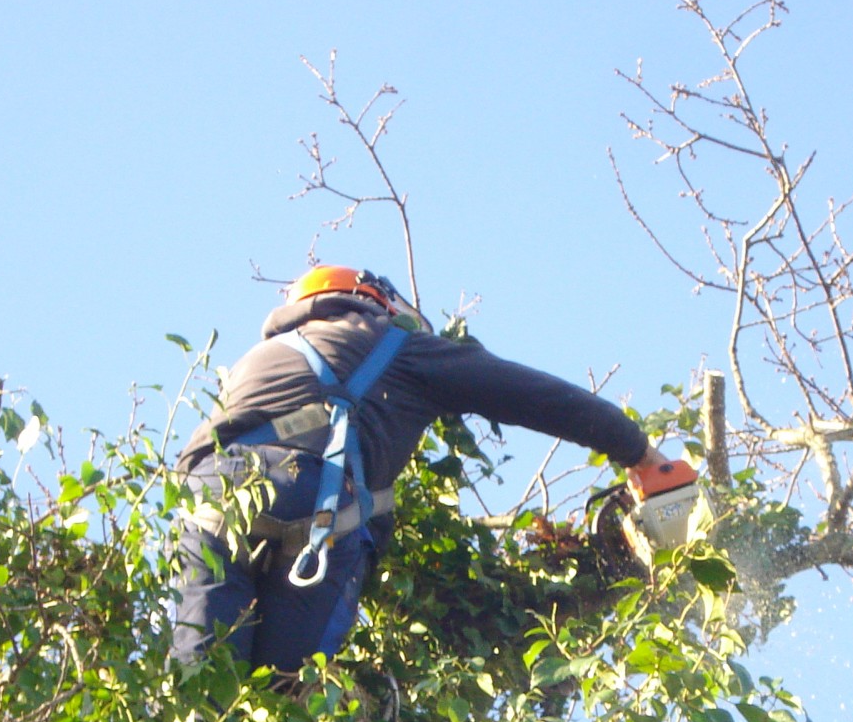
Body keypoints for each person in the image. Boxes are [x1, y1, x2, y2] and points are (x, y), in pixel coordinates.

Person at [170, 265, 669, 673]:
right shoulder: (393, 342)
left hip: (210, 506)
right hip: (317, 507)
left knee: (203, 694)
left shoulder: (259, 358)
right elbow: (532, 396)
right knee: (282, 705)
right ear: (376, 300)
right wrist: (639, 454)